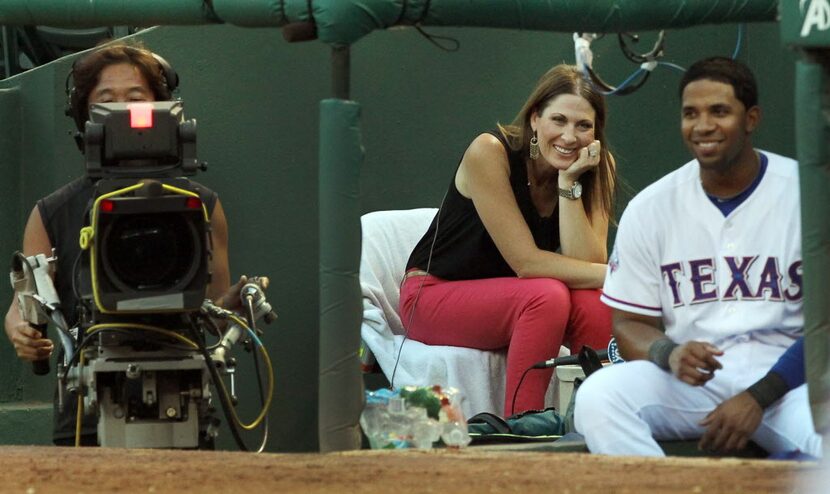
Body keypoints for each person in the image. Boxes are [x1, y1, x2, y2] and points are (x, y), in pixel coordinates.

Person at [574, 56, 822, 458]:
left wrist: (758, 397)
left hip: (790, 383)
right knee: (598, 397)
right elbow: (630, 323)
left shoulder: (808, 194)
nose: (703, 126)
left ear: (751, 118)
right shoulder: (651, 207)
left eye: (719, 111)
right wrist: (667, 352)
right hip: (695, 380)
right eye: (691, 113)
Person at [3, 41, 238, 446]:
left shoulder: (203, 206)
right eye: (106, 99)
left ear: (160, 105)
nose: (123, 109)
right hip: (87, 410)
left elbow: (216, 309)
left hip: (184, 395)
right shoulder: (52, 213)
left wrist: (238, 307)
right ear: (84, 116)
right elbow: (22, 308)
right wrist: (23, 332)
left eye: (136, 97)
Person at [400, 64, 616, 416]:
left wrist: (568, 183)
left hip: (511, 298)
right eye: (558, 120)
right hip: (432, 297)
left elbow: (586, 259)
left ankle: (599, 421)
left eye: (583, 125)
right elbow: (526, 263)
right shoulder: (489, 151)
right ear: (534, 119)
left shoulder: (593, 166)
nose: (569, 136)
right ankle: (522, 427)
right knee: (546, 296)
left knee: (594, 304)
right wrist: (617, 276)